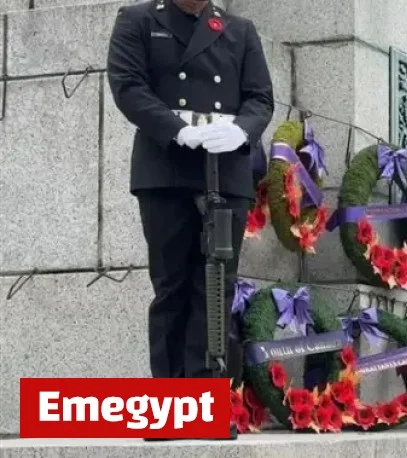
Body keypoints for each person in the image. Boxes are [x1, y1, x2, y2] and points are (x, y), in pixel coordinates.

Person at [106, 0, 274, 439]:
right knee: (172, 285)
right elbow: (128, 86)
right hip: (166, 167)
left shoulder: (239, 29)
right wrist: (177, 129)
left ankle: (206, 406)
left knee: (216, 284)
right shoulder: (139, 20)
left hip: (226, 168)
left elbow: (260, 97)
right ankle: (168, 411)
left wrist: (241, 130)